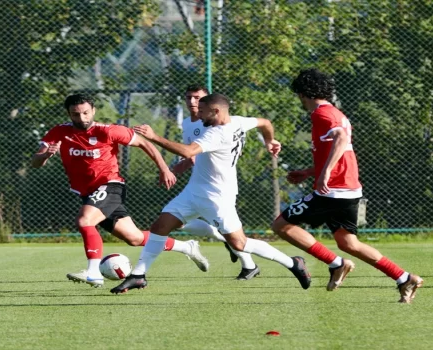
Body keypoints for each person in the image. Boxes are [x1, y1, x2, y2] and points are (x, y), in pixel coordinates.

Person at [111, 93, 311, 294]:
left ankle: (293, 263)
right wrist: (270, 141)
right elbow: (265, 122)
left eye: (203, 111)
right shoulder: (239, 122)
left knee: (239, 244)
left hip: (217, 196)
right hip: (193, 192)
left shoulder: (217, 133)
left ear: (216, 111)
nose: (199, 115)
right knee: (160, 226)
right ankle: (138, 275)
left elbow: (188, 152)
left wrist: (154, 137)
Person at [271, 69, 423, 303]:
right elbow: (341, 151)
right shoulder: (335, 112)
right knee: (348, 242)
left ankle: (336, 264)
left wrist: (325, 174)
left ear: (303, 94)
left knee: (281, 225)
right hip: (348, 188)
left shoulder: (322, 114)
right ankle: (404, 278)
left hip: (333, 190)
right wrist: (310, 172)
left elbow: (341, 139)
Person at [31, 94, 210, 288]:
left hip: (110, 185)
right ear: (68, 114)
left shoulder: (108, 131)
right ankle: (187, 247)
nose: (82, 118)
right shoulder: (59, 132)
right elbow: (36, 162)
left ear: (93, 111)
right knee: (135, 238)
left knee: (85, 221)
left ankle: (93, 273)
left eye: (85, 113)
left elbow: (144, 143)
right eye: (76, 114)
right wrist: (45, 155)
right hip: (88, 193)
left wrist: (164, 169)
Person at [174, 84, 260, 280]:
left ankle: (254, 264)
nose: (192, 102)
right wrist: (177, 167)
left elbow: (192, 153)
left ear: (209, 103)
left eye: (197, 98)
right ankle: (243, 258)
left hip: (218, 186)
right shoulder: (188, 123)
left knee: (230, 232)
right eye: (189, 97)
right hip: (199, 184)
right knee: (176, 222)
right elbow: (191, 155)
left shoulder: (215, 124)